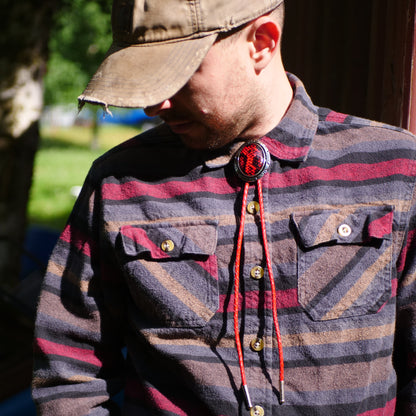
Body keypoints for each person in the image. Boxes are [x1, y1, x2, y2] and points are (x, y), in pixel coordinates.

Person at [32, 0, 416, 414]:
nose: (153, 105)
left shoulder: (393, 168)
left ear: (262, 43)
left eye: (176, 74)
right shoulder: (118, 183)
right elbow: (67, 371)